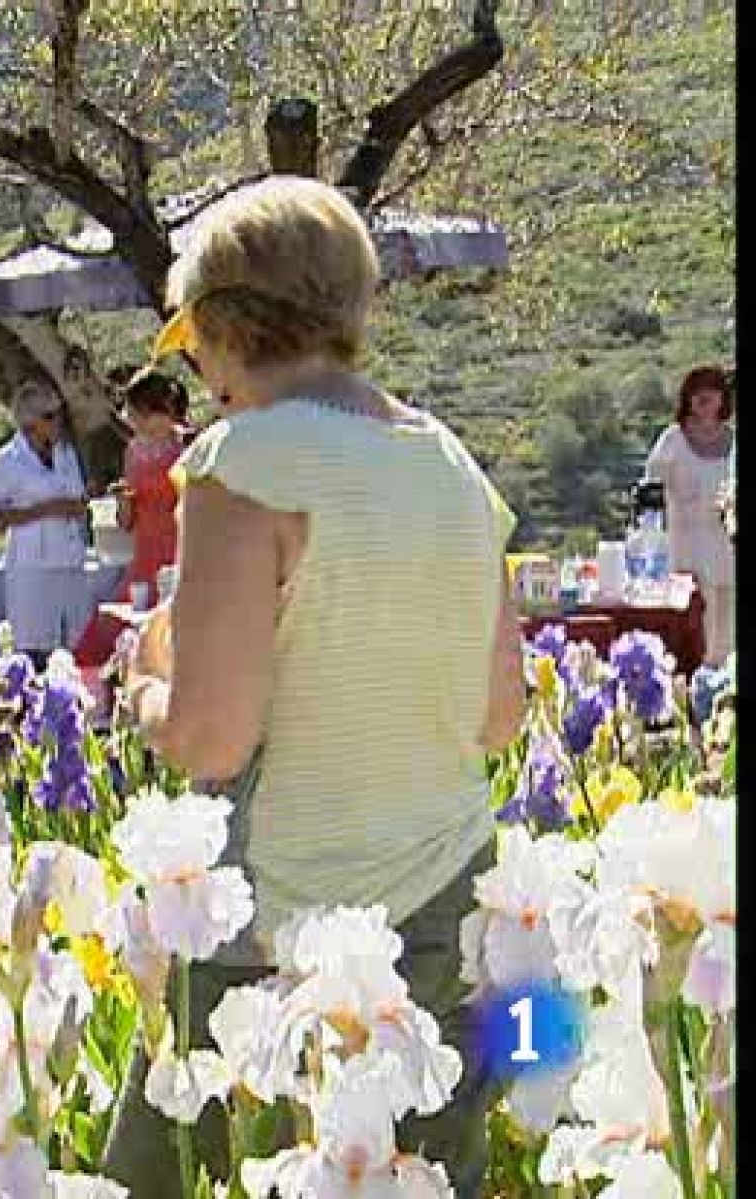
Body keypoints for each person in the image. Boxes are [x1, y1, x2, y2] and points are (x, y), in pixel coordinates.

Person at [104, 177, 526, 1198]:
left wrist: (142, 689)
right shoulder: (452, 465)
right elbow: (498, 713)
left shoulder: (244, 460)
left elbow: (210, 736)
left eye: (188, 341)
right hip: (445, 910)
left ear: (215, 324)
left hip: (276, 927)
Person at [71, 367, 187, 691]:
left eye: (136, 413)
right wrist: (123, 501)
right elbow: (126, 521)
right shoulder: (134, 451)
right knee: (118, 623)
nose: (132, 421)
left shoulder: (188, 447)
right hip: (144, 549)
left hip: (180, 545)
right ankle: (96, 692)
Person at [0, 381, 92, 668]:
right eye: (49, 416)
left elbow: (78, 498)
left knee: (78, 641)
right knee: (33, 649)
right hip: (30, 565)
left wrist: (79, 505)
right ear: (29, 421)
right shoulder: (8, 460)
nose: (58, 421)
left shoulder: (66, 453)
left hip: (69, 560)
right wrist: (44, 510)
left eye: (59, 414)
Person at [646, 365, 735, 666]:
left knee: (727, 650)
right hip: (685, 562)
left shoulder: (734, 443)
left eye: (712, 390)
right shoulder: (672, 441)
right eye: (698, 391)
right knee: (693, 651)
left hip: (728, 557)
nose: (705, 397)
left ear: (723, 398)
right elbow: (649, 497)